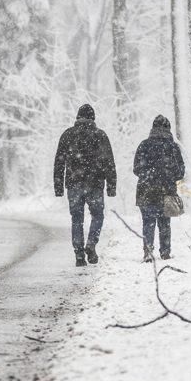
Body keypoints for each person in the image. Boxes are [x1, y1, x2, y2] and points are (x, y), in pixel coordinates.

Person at [54, 104, 117, 267]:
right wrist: (111, 186)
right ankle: (91, 243)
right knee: (97, 216)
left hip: (74, 184)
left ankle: (79, 255)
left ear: (77, 117)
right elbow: (109, 162)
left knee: (77, 219)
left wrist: (58, 185)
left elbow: (59, 162)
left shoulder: (67, 135)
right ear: (93, 118)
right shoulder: (100, 135)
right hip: (95, 184)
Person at [133, 115, 185, 262]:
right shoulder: (173, 146)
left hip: (146, 189)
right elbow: (180, 171)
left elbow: (136, 169)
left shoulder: (144, 145)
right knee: (164, 222)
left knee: (148, 222)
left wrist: (149, 176)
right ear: (168, 129)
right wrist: (169, 176)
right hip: (166, 189)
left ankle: (148, 251)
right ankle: (165, 252)